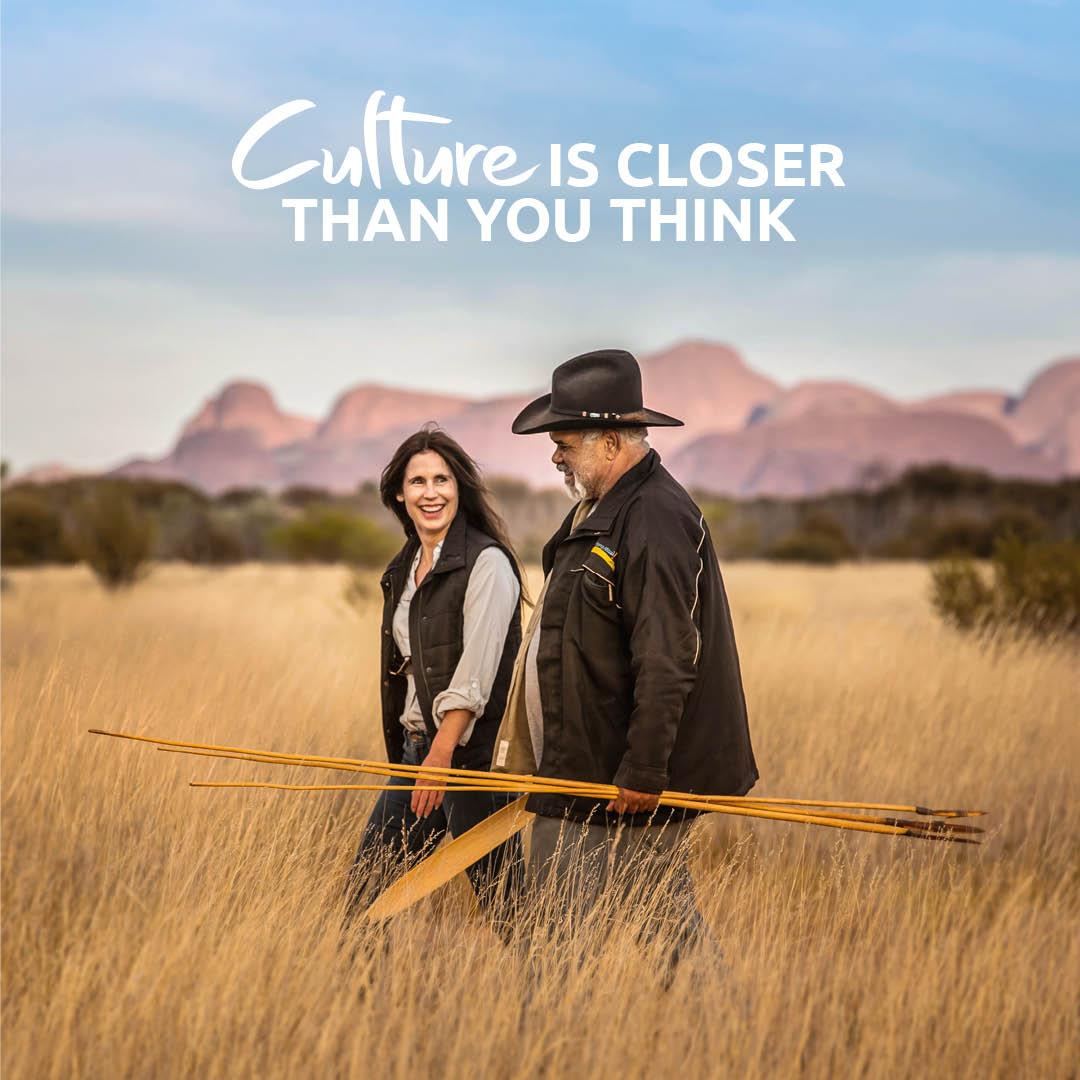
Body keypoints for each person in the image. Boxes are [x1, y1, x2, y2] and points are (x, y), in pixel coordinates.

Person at [492, 348, 758, 969]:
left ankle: (549, 1050)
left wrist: (643, 772)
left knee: (555, 942)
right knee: (661, 915)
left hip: (612, 779)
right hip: (587, 765)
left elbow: (667, 657)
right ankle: (722, 1040)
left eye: (565, 442)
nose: (555, 455)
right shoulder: (602, 508)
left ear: (611, 441)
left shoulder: (657, 517)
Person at [345, 426, 526, 930]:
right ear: (399, 494)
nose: (431, 493)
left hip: (471, 762)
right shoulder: (403, 567)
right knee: (366, 898)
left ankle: (547, 1003)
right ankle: (364, 1005)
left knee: (508, 912)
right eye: (418, 481)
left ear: (459, 488)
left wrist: (441, 756)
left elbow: (477, 673)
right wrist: (419, 755)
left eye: (442, 479)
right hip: (417, 755)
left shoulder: (487, 564)